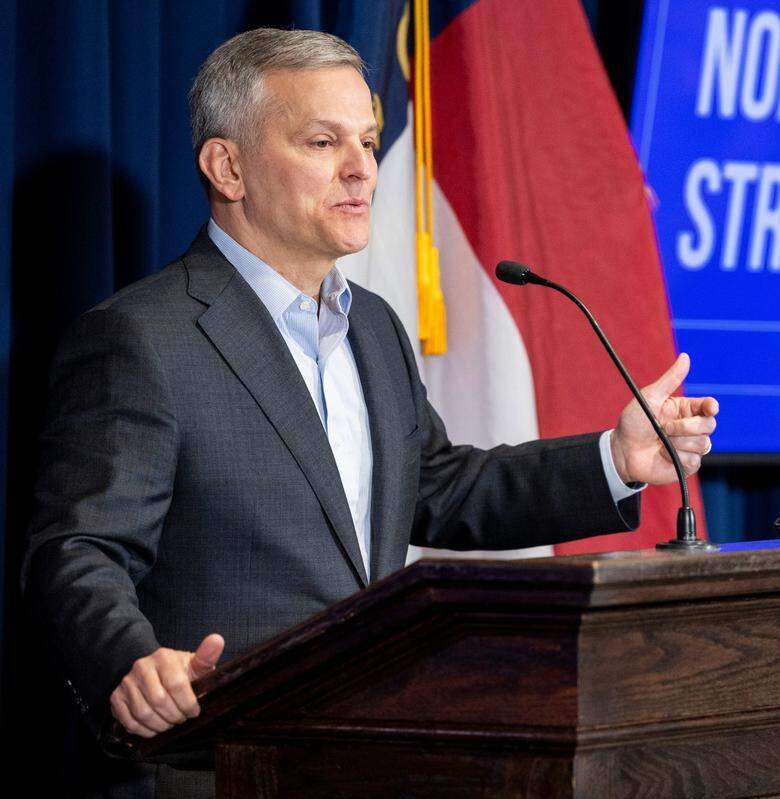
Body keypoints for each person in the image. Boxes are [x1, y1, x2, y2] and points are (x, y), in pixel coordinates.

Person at [21, 28, 717, 798]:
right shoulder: (144, 339)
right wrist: (131, 660)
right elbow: (76, 551)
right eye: (323, 142)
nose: (362, 169)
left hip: (372, 758)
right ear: (228, 167)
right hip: (218, 764)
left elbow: (442, 490)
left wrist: (613, 461)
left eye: (368, 140)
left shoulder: (374, 326)